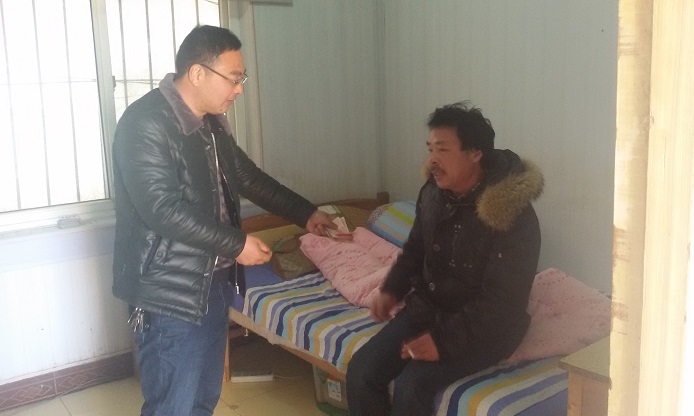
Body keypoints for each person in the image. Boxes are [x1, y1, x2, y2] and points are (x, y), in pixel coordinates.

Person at [111, 25, 336, 416]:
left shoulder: (211, 122)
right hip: (169, 293)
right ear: (198, 73)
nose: (239, 90)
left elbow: (247, 177)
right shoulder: (144, 123)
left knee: (202, 400)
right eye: (234, 78)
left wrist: (306, 213)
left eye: (241, 79)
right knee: (173, 407)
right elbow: (162, 210)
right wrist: (238, 243)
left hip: (213, 283)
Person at [346, 102, 544, 416]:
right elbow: (415, 250)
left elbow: (502, 302)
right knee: (361, 371)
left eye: (443, 149)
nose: (432, 160)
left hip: (488, 329)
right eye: (430, 149)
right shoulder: (433, 194)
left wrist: (442, 341)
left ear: (475, 153)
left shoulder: (511, 214)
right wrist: (391, 290)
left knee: (412, 386)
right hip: (426, 310)